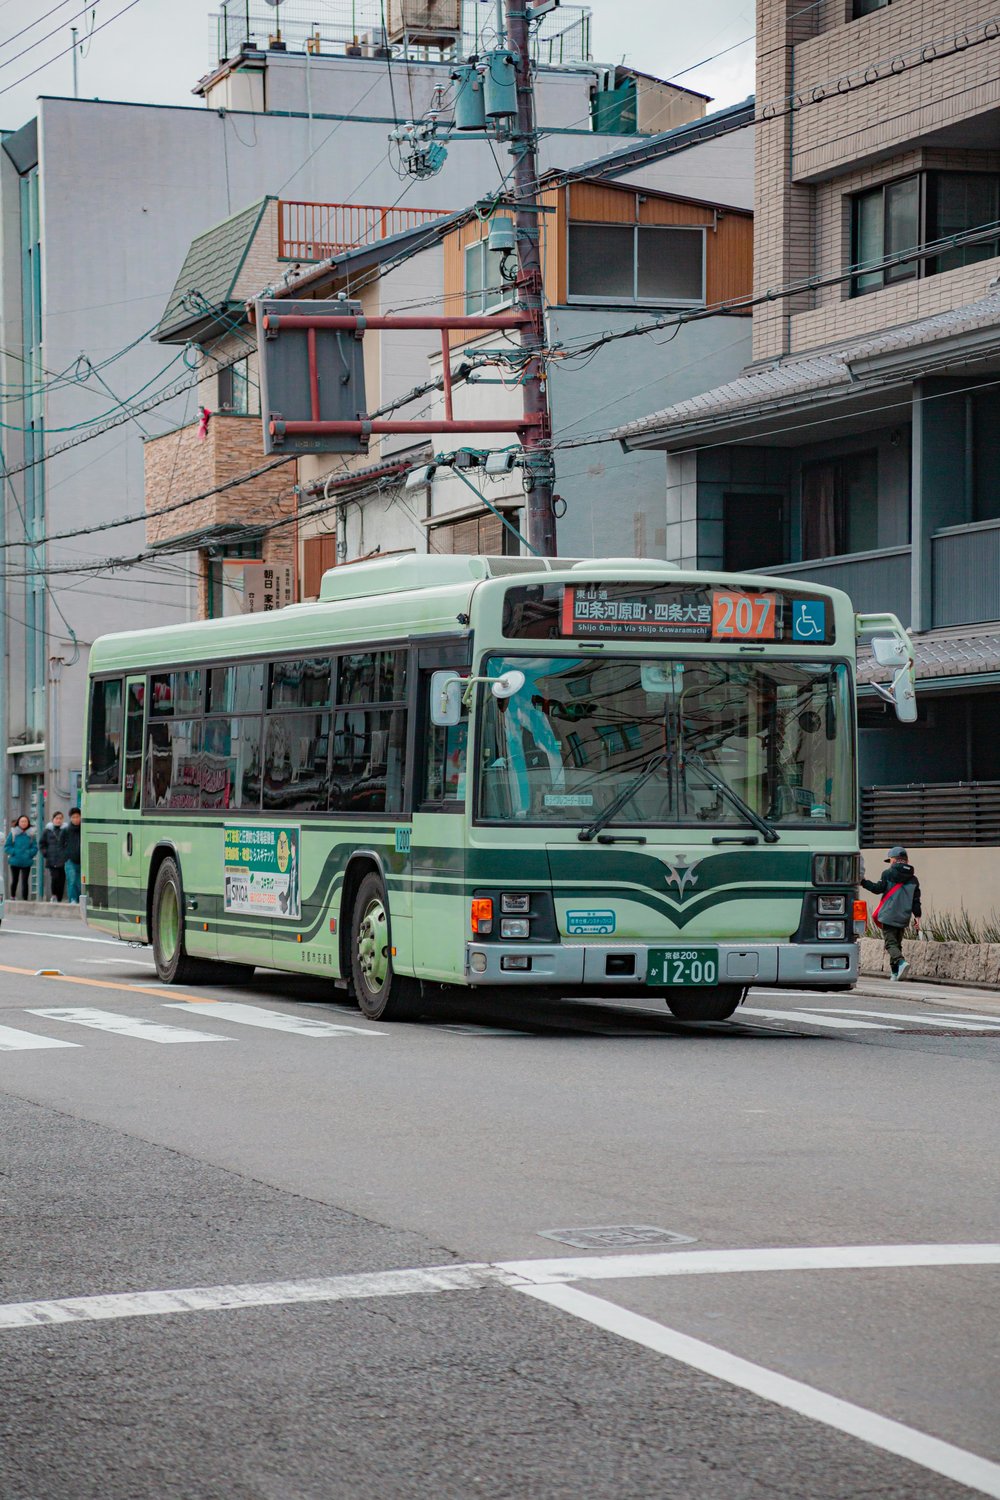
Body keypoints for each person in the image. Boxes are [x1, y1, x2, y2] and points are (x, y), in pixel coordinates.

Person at [861, 845, 921, 981]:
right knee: (897, 944)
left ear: (894, 860)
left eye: (890, 860)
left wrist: (863, 882)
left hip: (889, 915)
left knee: (890, 944)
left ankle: (900, 962)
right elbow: (916, 901)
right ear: (906, 860)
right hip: (904, 916)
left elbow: (878, 889)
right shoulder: (914, 879)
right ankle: (894, 973)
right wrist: (917, 917)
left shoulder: (887, 874)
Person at [4, 815, 38, 900]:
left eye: (25, 821)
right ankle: (13, 896)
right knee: (15, 880)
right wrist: (14, 852)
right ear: (18, 822)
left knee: (25, 881)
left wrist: (30, 853)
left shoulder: (31, 834)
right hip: (15, 861)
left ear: (28, 823)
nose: (23, 823)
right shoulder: (13, 833)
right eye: (22, 821)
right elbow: (7, 846)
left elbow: (35, 847)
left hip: (26, 861)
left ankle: (25, 898)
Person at [40, 811, 68, 902]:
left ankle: (59, 898)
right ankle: (54, 896)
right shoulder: (47, 831)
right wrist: (46, 853)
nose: (58, 820)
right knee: (55, 878)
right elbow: (42, 843)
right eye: (57, 818)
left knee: (62, 879)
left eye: (60, 818)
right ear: (53, 820)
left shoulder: (66, 830)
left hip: (63, 859)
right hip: (52, 859)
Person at [64, 807, 82, 905]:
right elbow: (60, 844)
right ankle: (73, 900)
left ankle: (80, 900)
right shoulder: (66, 830)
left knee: (80, 882)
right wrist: (66, 856)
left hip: (82, 860)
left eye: (77, 817)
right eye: (73, 817)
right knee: (72, 879)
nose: (76, 819)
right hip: (70, 860)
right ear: (70, 818)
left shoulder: (84, 829)